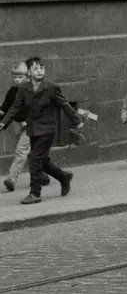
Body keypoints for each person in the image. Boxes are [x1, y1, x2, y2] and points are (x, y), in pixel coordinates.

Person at [0, 57, 81, 205]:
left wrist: (77, 121)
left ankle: (35, 193)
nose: (39, 71)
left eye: (42, 68)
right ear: (29, 72)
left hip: (47, 129)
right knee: (41, 160)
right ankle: (63, 177)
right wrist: (3, 122)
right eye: (35, 69)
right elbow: (15, 107)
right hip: (32, 129)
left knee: (35, 159)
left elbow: (64, 105)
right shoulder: (24, 89)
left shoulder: (51, 87)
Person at [2, 60, 31, 193]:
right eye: (15, 77)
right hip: (17, 125)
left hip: (31, 126)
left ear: (28, 77)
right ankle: (43, 175)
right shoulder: (12, 92)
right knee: (31, 152)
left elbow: (38, 109)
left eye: (20, 77)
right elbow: (5, 109)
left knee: (21, 151)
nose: (17, 80)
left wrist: (28, 120)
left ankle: (11, 179)